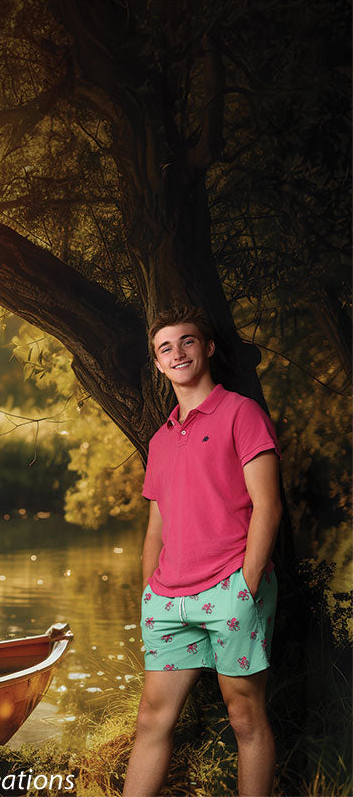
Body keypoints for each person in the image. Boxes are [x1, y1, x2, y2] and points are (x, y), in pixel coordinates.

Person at [123, 305, 282, 797]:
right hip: (168, 602)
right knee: (151, 719)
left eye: (187, 341)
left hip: (229, 590)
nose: (177, 353)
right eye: (165, 348)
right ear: (158, 363)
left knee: (244, 716)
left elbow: (268, 505)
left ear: (208, 348)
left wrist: (246, 584)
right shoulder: (161, 440)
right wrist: (149, 593)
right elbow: (157, 527)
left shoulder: (241, 413)